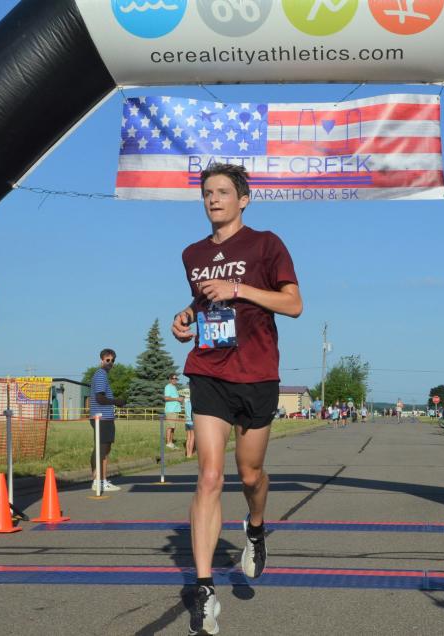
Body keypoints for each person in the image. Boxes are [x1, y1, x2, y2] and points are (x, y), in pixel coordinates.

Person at [170, 163, 302, 636]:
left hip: (258, 373)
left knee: (249, 474)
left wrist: (239, 288)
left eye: (223, 192)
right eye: (207, 192)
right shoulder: (192, 253)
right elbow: (204, 304)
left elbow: (294, 304)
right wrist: (185, 316)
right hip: (209, 369)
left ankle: (256, 527)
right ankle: (204, 586)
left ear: (244, 199)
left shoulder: (267, 244)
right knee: (209, 475)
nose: (214, 199)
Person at [89, 348, 125, 492]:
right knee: (102, 450)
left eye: (112, 360)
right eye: (107, 360)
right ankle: (99, 481)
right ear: (101, 361)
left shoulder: (102, 375)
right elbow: (100, 398)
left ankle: (99, 479)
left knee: (103, 449)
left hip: (104, 417)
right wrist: (117, 401)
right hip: (101, 418)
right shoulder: (100, 375)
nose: (110, 363)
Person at [164, 374, 184, 450]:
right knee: (170, 427)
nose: (175, 380)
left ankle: (171, 442)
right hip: (170, 410)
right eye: (173, 378)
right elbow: (166, 398)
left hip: (175, 410)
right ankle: (168, 443)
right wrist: (177, 399)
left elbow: (176, 398)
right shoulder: (168, 387)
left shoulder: (174, 387)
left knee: (173, 427)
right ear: (170, 379)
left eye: (176, 378)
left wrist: (180, 400)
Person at [182, 387, 195, 458]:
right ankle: (190, 453)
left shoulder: (186, 402)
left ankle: (187, 454)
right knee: (192, 438)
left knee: (188, 438)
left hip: (187, 422)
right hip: (192, 422)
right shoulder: (192, 402)